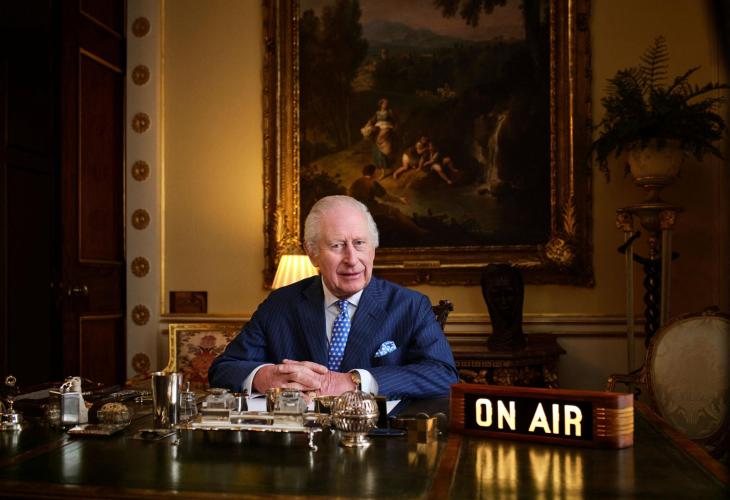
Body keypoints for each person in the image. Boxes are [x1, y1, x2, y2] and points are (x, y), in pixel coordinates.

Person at [208, 195, 458, 399]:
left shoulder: (410, 306)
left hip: (378, 438)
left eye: (359, 243)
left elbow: (443, 375)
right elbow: (224, 369)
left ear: (373, 249)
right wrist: (265, 377)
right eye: (337, 245)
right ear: (312, 253)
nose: (352, 259)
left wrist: (355, 381)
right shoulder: (280, 304)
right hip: (299, 439)